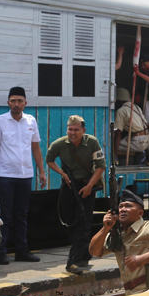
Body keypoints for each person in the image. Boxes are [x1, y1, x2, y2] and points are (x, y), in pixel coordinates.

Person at [0, 86, 47, 264]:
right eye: (13, 101)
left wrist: (41, 171)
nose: (16, 104)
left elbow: (35, 147)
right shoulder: (0, 121)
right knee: (5, 215)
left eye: (19, 101)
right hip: (6, 175)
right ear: (8, 103)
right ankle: (1, 251)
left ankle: (22, 251)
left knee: (22, 214)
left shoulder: (30, 121)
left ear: (25, 103)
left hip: (25, 175)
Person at [46, 115, 107, 275]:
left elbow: (101, 166)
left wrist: (89, 186)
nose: (72, 133)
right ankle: (83, 254)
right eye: (70, 129)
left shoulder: (92, 142)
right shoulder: (59, 144)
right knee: (69, 220)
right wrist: (63, 174)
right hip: (69, 184)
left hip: (87, 184)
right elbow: (49, 159)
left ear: (83, 130)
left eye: (76, 130)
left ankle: (74, 260)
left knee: (84, 222)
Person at [89, 190, 149, 295]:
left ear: (140, 213)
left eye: (128, 206)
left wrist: (141, 259)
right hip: (132, 293)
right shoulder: (118, 234)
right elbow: (94, 251)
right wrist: (105, 228)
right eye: (120, 207)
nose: (123, 209)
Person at [114, 87, 149, 165]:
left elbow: (118, 133)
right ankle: (140, 153)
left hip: (138, 142)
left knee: (110, 145)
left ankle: (139, 154)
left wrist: (115, 153)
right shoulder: (136, 107)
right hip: (148, 140)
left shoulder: (121, 111)